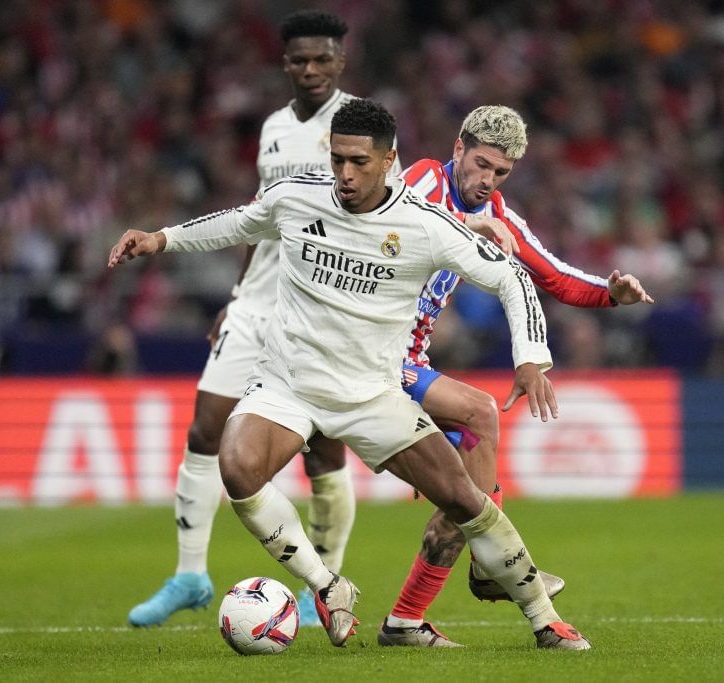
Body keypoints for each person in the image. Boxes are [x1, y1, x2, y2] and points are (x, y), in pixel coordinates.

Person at [110, 98, 591, 650]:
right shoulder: (297, 196)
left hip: (373, 394)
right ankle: (327, 585)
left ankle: (544, 619)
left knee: (465, 500)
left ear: (388, 161)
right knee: (237, 466)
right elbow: (238, 223)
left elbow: (513, 278)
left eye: (359, 162)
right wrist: (160, 239)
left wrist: (530, 356)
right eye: (337, 159)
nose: (345, 174)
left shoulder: (425, 224)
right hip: (288, 384)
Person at [127, 10, 397, 628]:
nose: (311, 69)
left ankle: (320, 587)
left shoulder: (362, 128)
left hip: (319, 306)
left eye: (322, 58)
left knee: (323, 452)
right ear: (285, 64)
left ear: (341, 60)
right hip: (255, 304)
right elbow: (261, 217)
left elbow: (385, 222)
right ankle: (189, 575)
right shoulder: (274, 127)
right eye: (300, 60)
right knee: (206, 430)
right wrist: (236, 292)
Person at [376, 105, 653, 647]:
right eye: (481, 165)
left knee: (467, 495)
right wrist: (468, 226)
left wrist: (609, 293)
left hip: (408, 364)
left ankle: (407, 620)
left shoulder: (497, 210)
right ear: (458, 149)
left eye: (500, 172)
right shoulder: (425, 178)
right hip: (373, 356)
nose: (487, 181)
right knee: (480, 413)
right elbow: (393, 222)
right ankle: (495, 570)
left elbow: (553, 275)